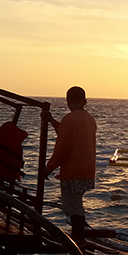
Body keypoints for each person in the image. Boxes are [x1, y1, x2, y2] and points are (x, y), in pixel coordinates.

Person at [42, 86, 97, 246]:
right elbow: (70, 134)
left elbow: (63, 148)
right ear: (85, 101)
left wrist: (48, 168)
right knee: (77, 202)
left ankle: (78, 240)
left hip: (73, 170)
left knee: (73, 205)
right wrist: (52, 121)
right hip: (87, 169)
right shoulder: (89, 119)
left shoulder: (70, 119)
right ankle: (79, 237)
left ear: (68, 102)